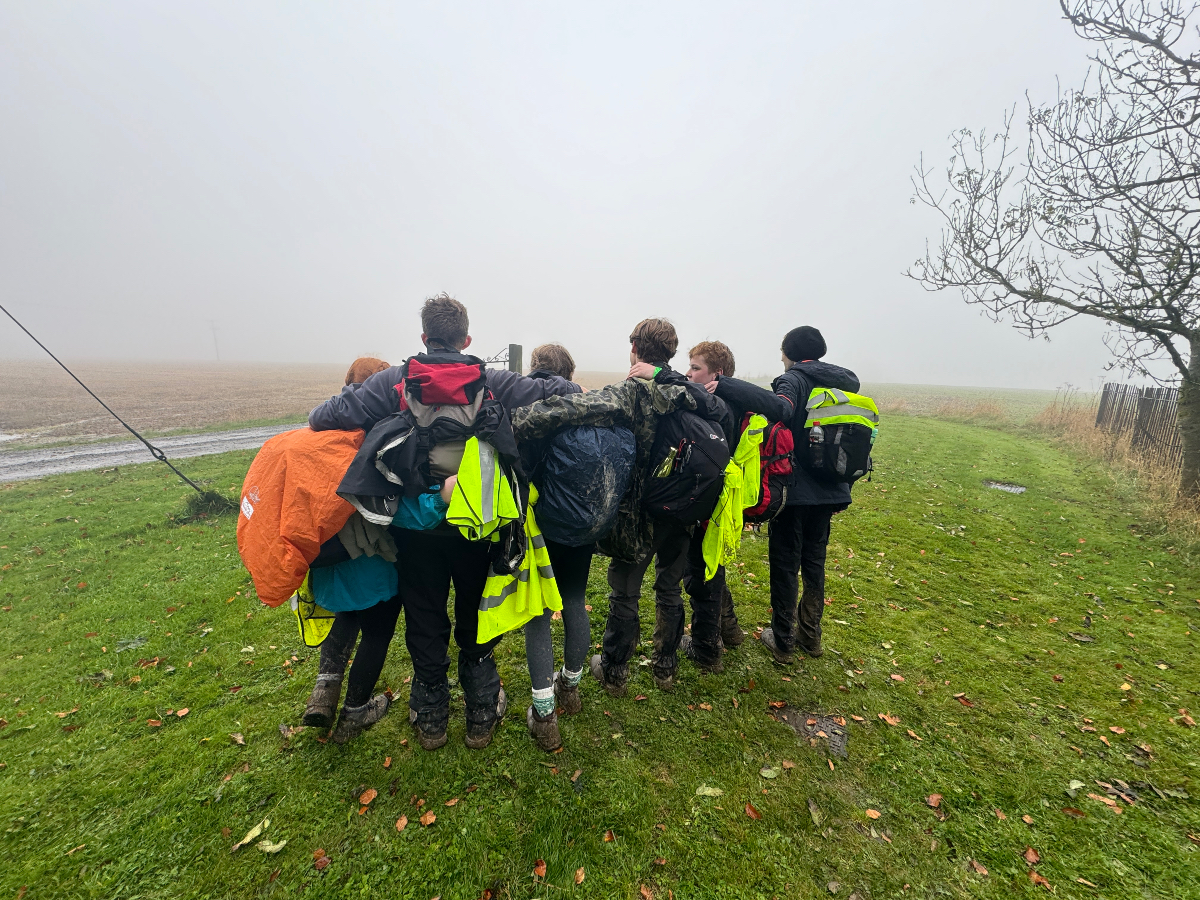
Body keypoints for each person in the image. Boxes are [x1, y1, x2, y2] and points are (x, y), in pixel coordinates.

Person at [308, 295, 580, 750]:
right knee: (474, 609)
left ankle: (431, 718)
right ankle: (481, 716)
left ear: (424, 337)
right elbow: (565, 393)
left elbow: (323, 416)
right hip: (475, 523)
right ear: (466, 339)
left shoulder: (395, 381)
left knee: (424, 614)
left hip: (414, 527)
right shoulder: (491, 380)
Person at [597, 319, 733, 693]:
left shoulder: (634, 389)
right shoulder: (689, 391)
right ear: (671, 353)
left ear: (634, 348)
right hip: (685, 504)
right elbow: (719, 408)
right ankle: (665, 669)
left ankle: (614, 672)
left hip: (640, 510)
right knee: (669, 587)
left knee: (625, 590)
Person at [707, 326, 859, 662]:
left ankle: (783, 641)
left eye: (782, 351)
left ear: (789, 352)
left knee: (786, 564)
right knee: (814, 562)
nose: (780, 357)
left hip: (796, 491)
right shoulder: (841, 382)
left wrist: (726, 384)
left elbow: (782, 409)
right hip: (831, 486)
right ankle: (811, 636)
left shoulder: (794, 379)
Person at [520, 343, 605, 751]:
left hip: (540, 523)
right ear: (568, 372)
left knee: (538, 612)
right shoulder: (585, 405)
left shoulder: (526, 402)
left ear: (535, 368)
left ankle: (544, 717)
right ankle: (570, 689)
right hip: (581, 522)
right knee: (573, 599)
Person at [674, 341, 745, 672]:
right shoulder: (730, 402)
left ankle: (706, 649)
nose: (689, 374)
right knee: (712, 568)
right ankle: (729, 630)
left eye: (695, 368)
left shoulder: (718, 409)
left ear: (717, 374)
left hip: (708, 503)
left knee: (701, 574)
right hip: (717, 502)